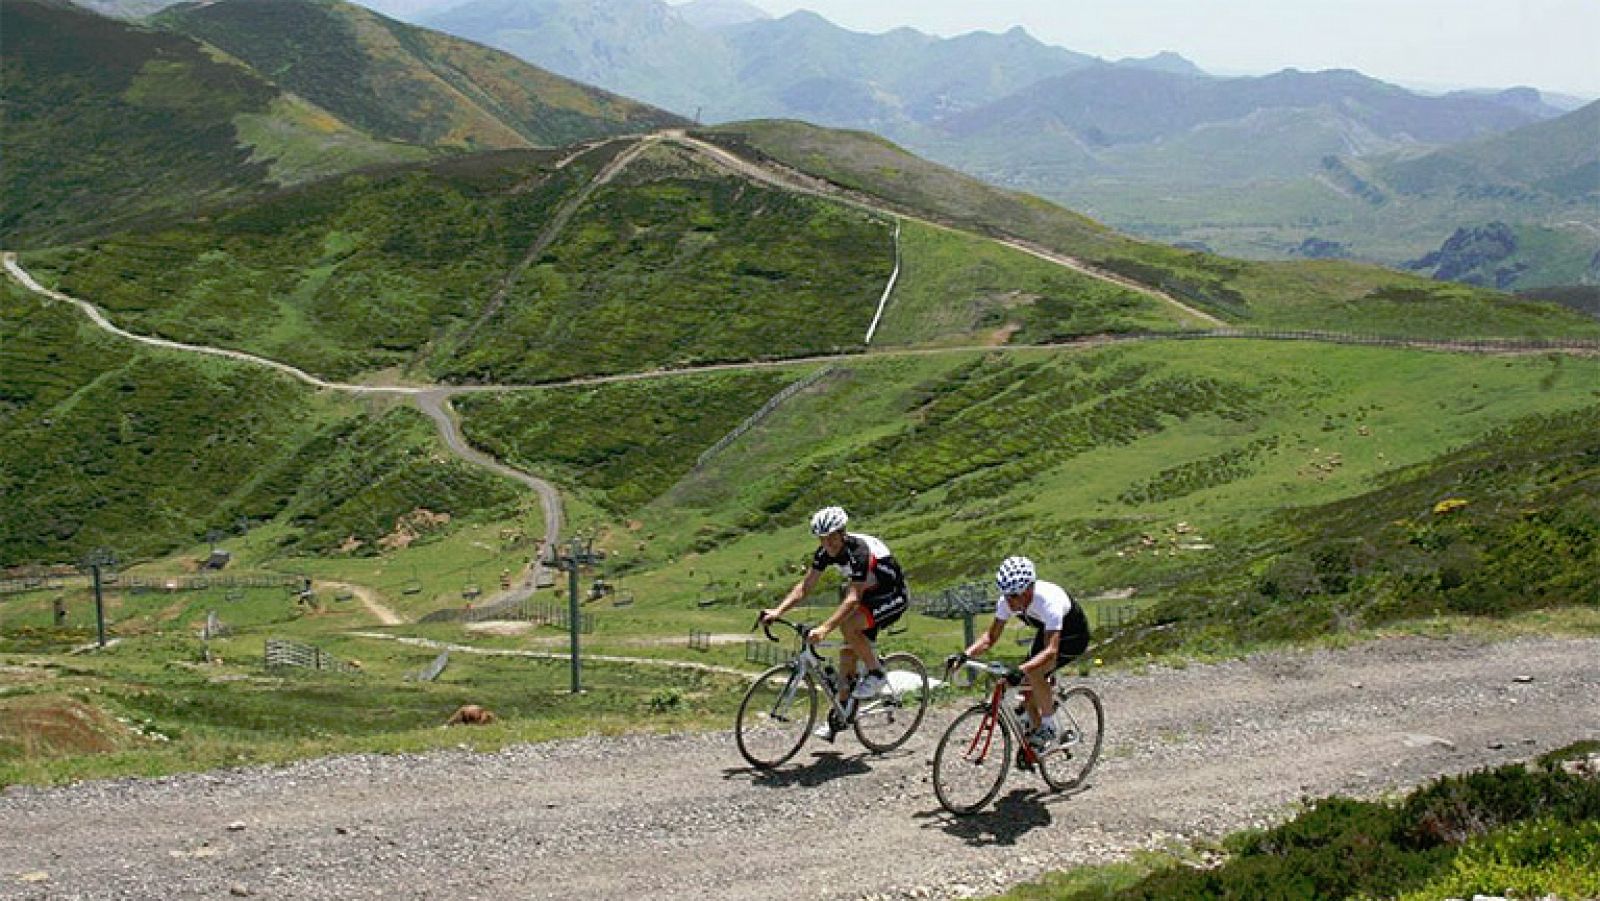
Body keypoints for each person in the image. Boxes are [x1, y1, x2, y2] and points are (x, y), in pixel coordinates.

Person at [761, 506, 911, 742]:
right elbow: (805, 586)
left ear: (842, 533)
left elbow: (853, 598)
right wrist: (778, 611)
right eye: (823, 539)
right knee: (846, 658)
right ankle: (840, 717)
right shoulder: (824, 552)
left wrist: (823, 629)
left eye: (832, 537)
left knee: (848, 627)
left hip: (892, 596)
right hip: (869, 597)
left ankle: (876, 673)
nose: (828, 543)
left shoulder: (859, 552)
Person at [949, 556, 1090, 757]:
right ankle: (1035, 740)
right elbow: (990, 637)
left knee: (1034, 673)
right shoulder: (1008, 600)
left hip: (1071, 637)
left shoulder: (1049, 602)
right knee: (1023, 691)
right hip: (1046, 632)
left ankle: (1050, 727)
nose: (1010, 601)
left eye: (1014, 595)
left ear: (1029, 589)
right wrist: (965, 654)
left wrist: (1022, 670)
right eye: (1006, 595)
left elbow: (1050, 650)